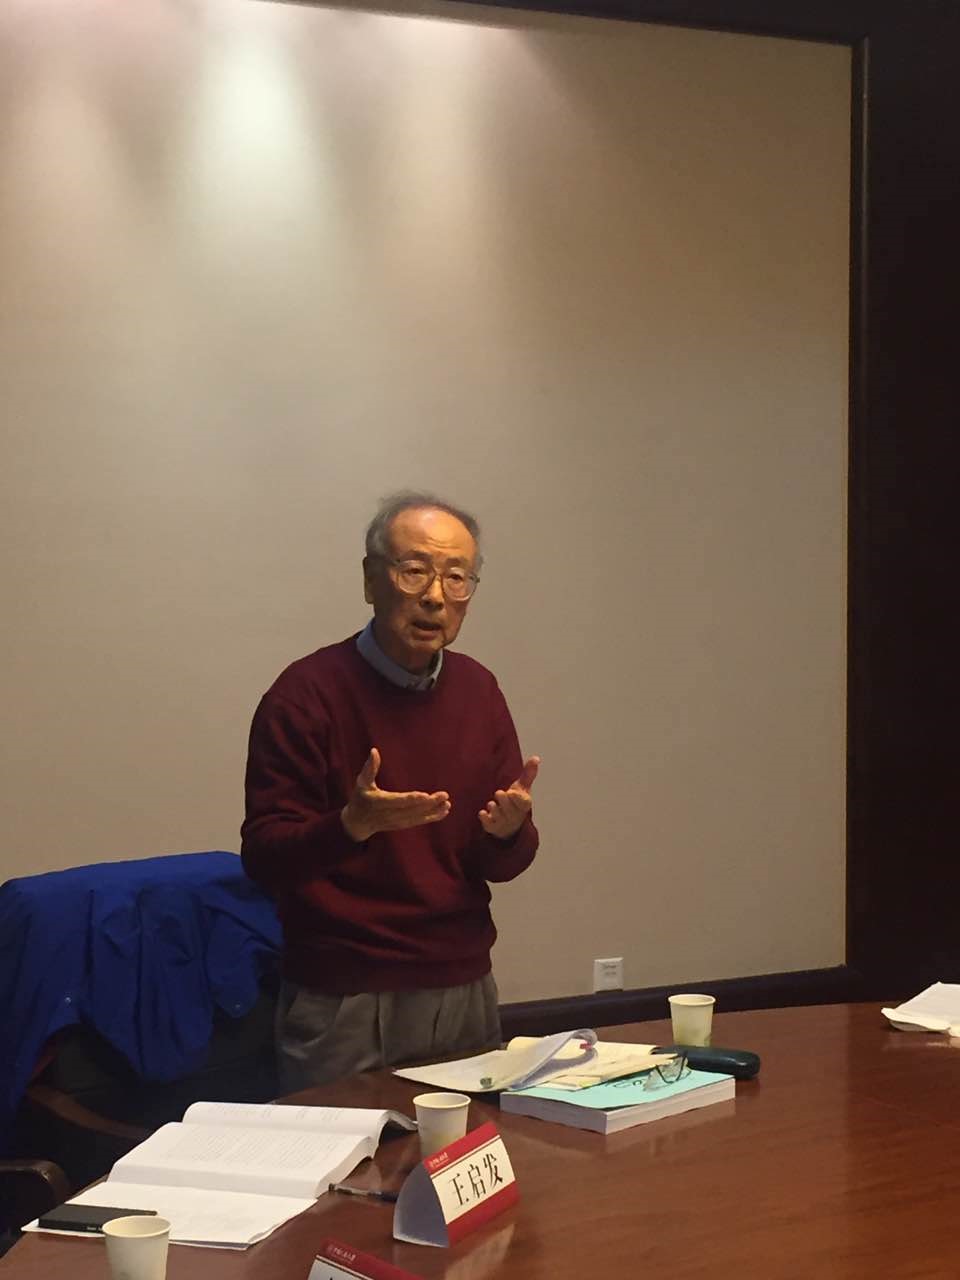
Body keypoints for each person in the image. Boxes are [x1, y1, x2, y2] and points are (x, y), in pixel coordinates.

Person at [241, 492, 539, 1090]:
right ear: (371, 580)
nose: (435, 596)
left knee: (468, 1147)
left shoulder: (479, 691)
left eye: (456, 577)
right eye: (415, 571)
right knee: (342, 1150)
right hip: (344, 997)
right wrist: (350, 826)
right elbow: (264, 859)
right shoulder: (305, 694)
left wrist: (508, 834)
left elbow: (501, 864)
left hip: (461, 987)